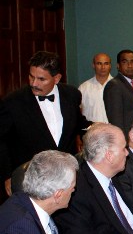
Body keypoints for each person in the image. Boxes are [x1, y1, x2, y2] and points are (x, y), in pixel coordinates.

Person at [0, 151, 108, 234]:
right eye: (72, 188)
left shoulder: (34, 206)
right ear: (58, 195)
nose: (74, 191)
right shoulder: (17, 224)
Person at [0, 51, 92, 196]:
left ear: (57, 78)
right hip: (31, 179)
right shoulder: (13, 102)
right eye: (31, 76)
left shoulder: (72, 94)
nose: (34, 83)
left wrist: (96, 128)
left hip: (67, 176)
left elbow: (79, 123)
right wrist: (7, 176)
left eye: (41, 79)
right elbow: (2, 141)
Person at [54, 123, 133, 234]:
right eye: (124, 148)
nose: (127, 153)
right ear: (109, 156)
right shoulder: (76, 191)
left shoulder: (114, 178)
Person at [103, 49, 133, 134]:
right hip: (126, 138)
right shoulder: (114, 85)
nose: (130, 65)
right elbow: (116, 121)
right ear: (118, 66)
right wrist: (123, 141)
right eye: (125, 62)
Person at [78, 52, 112, 123]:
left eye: (106, 63)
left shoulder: (119, 86)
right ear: (93, 65)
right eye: (99, 63)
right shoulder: (83, 88)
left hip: (113, 128)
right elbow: (78, 112)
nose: (103, 67)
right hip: (91, 129)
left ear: (110, 66)